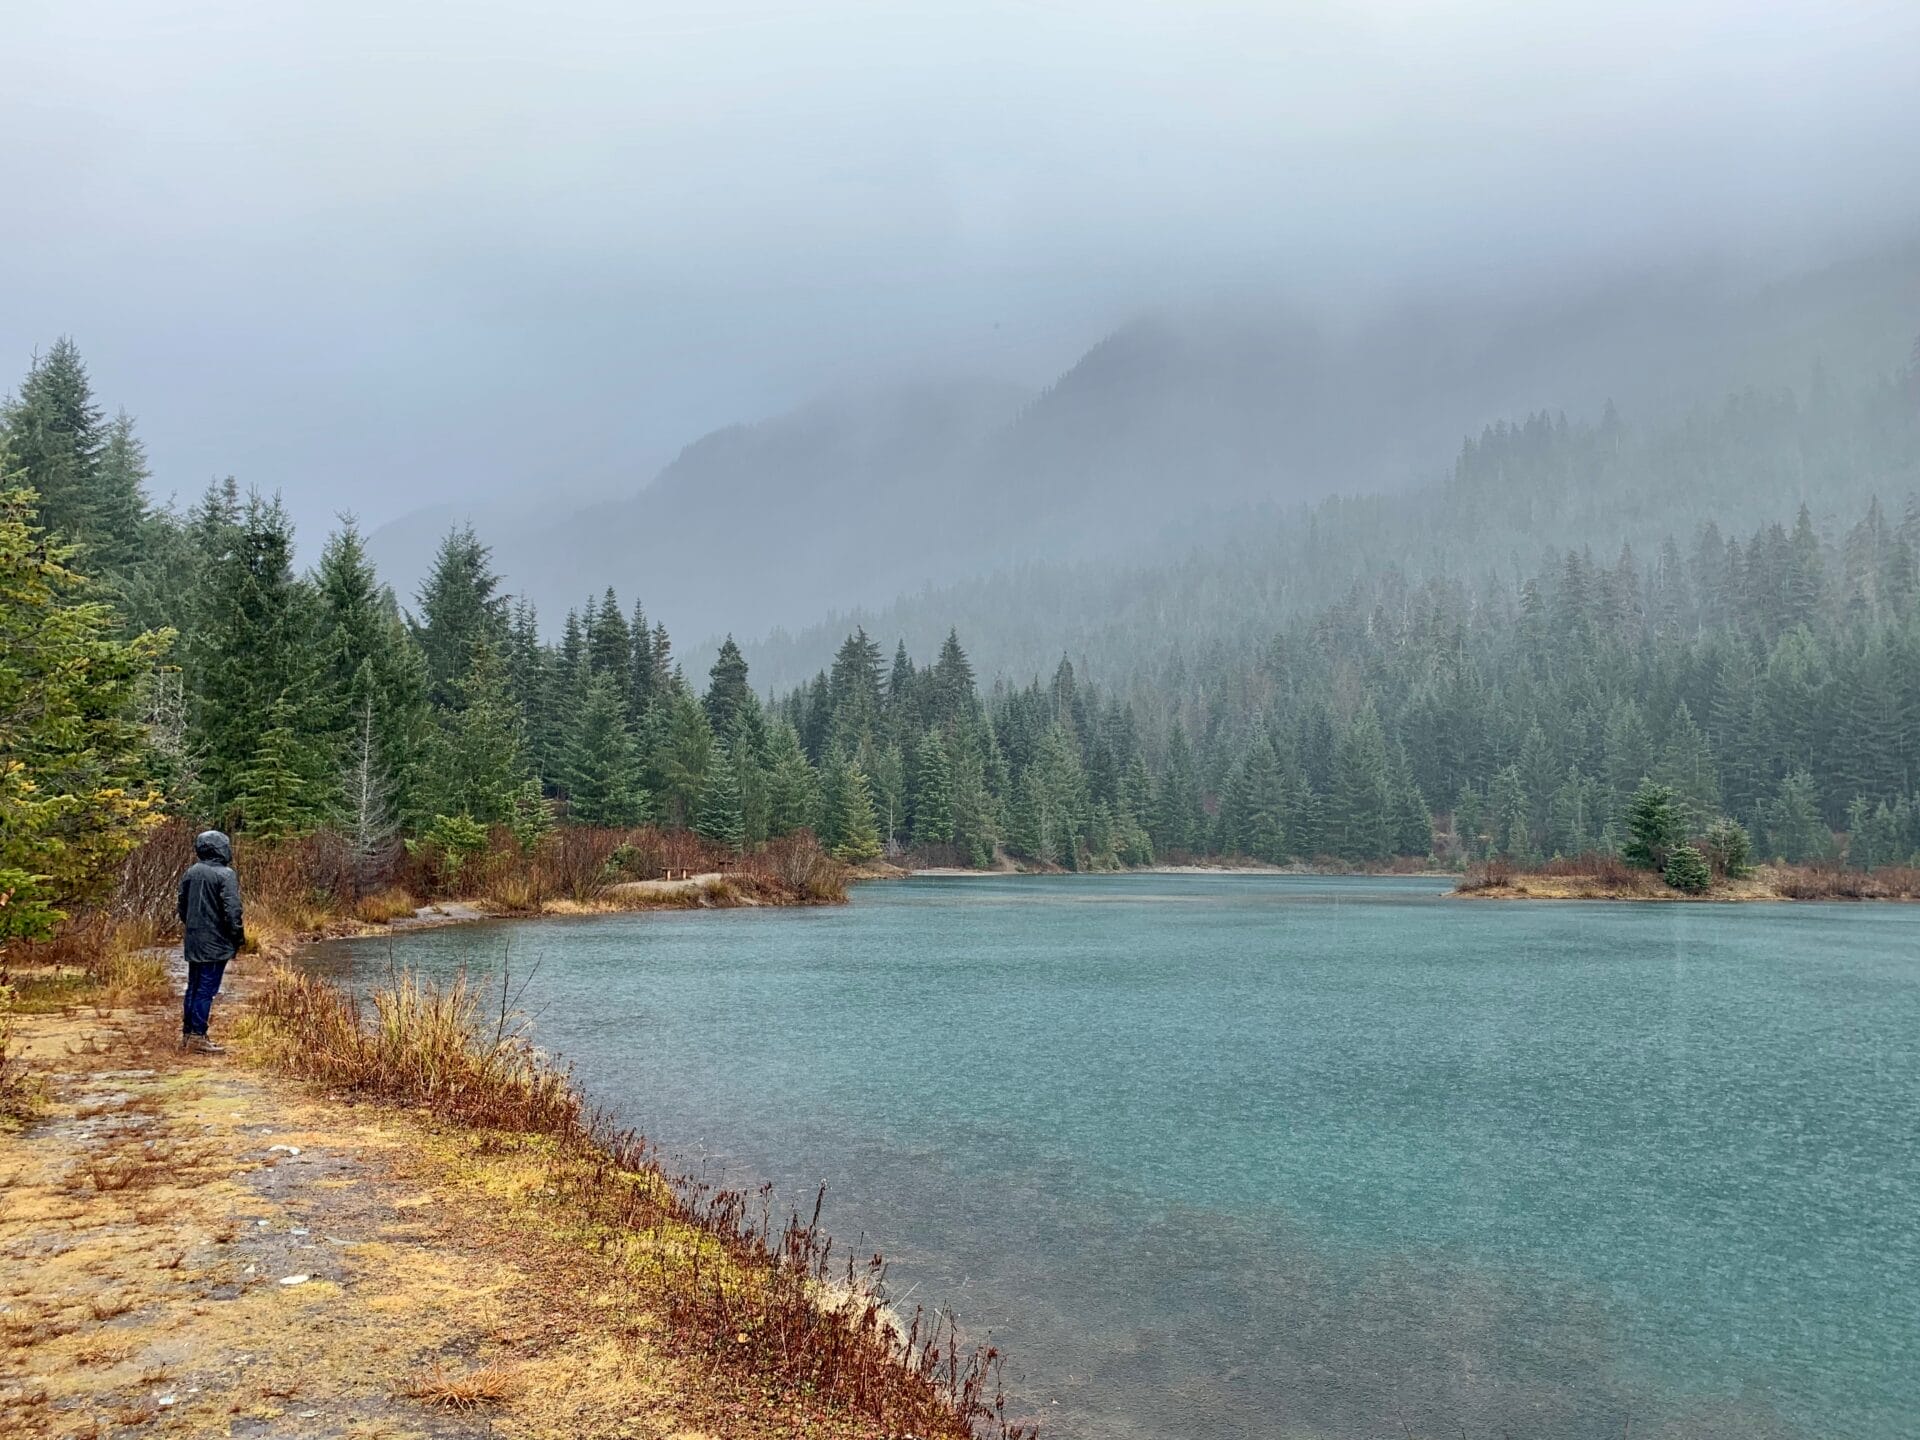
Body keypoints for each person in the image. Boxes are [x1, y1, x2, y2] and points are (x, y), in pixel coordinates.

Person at [176, 829, 246, 1053]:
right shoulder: (225, 874)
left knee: (194, 987)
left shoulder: (191, 872)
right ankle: (197, 1036)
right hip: (215, 942)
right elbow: (232, 911)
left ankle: (189, 1035)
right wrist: (238, 937)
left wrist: (194, 927)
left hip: (195, 940)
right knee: (206, 989)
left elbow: (182, 907)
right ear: (221, 848)